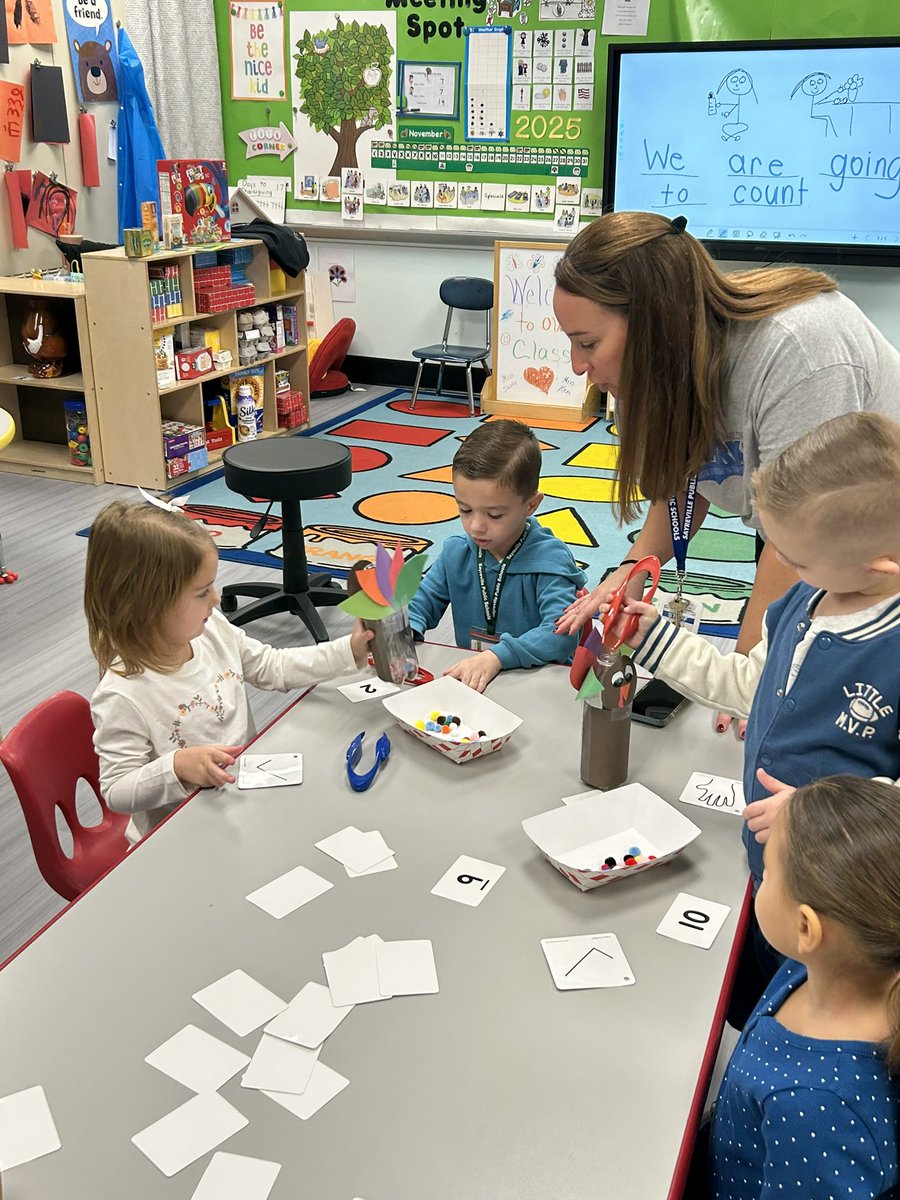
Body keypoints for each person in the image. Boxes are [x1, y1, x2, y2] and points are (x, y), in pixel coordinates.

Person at [553, 210, 900, 736]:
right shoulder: (646, 370)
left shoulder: (798, 349)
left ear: (653, 326)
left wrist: (750, 681)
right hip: (798, 532)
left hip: (863, 535)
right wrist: (628, 573)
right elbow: (680, 485)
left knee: (838, 684)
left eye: (587, 343)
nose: (579, 368)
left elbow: (798, 541)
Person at [607, 412, 900, 892]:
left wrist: (828, 815)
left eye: (798, 559)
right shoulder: (800, 604)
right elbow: (748, 684)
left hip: (849, 890)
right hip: (772, 861)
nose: (779, 563)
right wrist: (652, 638)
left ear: (880, 564)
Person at [85, 500, 372, 842]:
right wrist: (175, 767)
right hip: (181, 837)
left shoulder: (211, 630)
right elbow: (117, 791)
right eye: (201, 592)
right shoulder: (122, 694)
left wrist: (348, 651)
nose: (217, 600)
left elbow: (272, 667)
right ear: (148, 603)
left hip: (243, 799)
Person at [708, 776, 900, 1200]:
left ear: (806, 927)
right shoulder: (821, 964)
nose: (763, 876)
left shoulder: (816, 1109)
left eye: (770, 872)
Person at [406, 418, 585, 692]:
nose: (476, 526)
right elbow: (421, 602)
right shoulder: (457, 551)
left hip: (539, 682)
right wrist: (403, 631)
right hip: (476, 679)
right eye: (465, 509)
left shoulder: (551, 560)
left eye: (494, 514)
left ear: (531, 505)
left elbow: (561, 634)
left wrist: (496, 657)